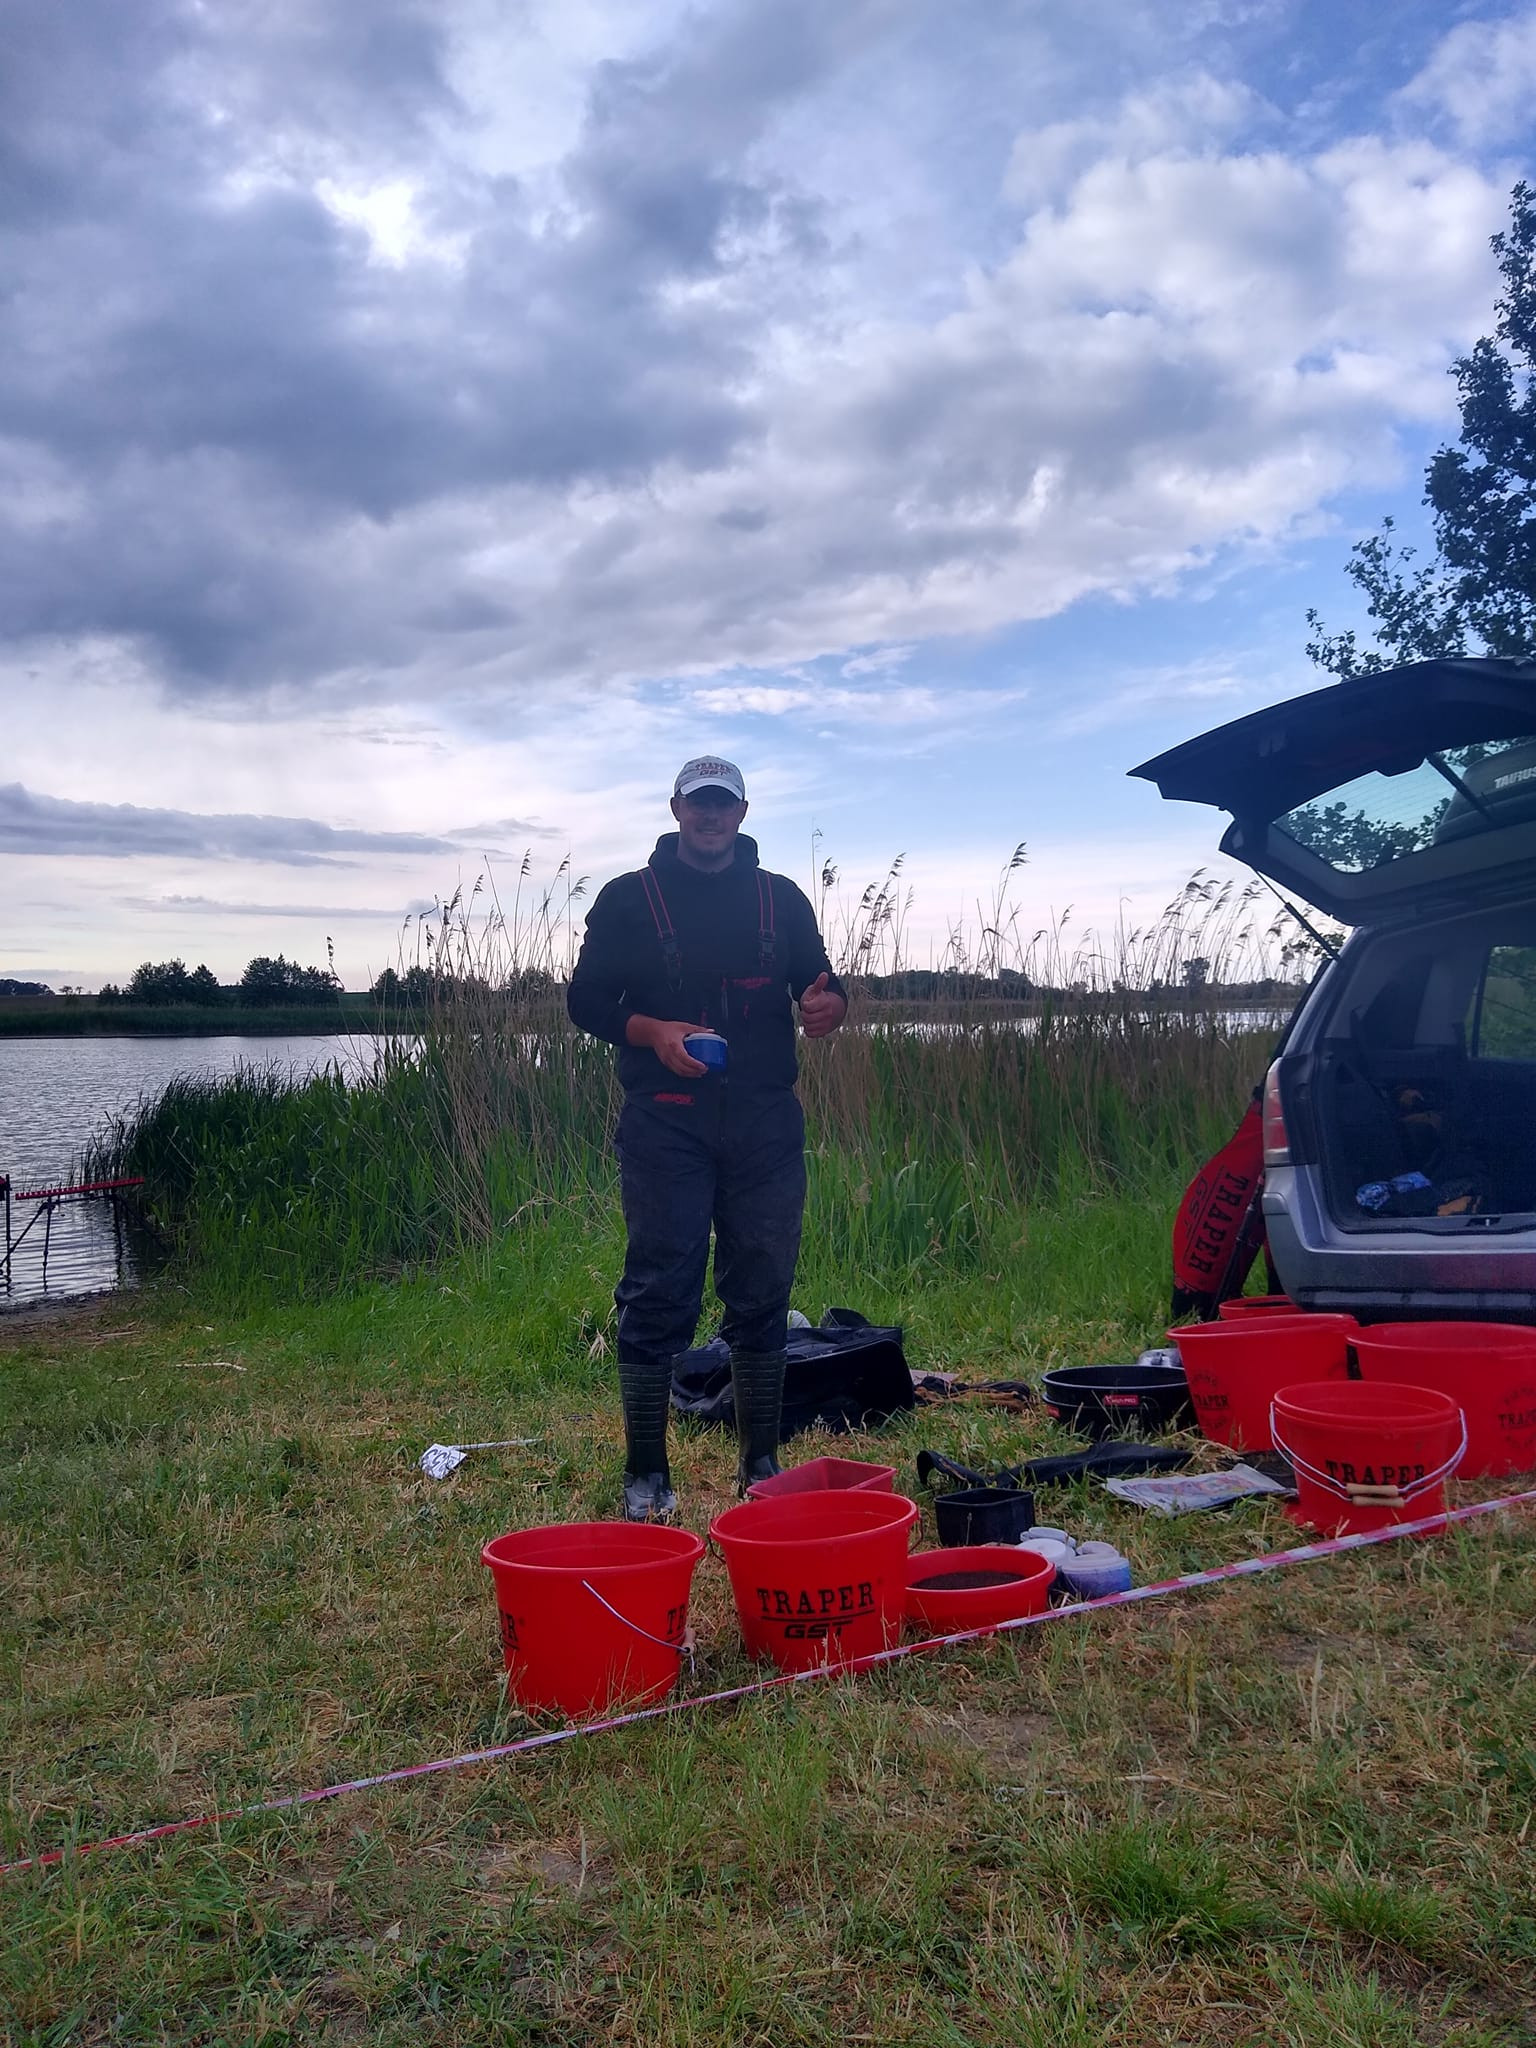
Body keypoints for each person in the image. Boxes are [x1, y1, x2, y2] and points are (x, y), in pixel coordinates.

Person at [567, 757, 848, 1520]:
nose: (712, 815)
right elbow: (585, 1000)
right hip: (665, 1120)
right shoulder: (629, 898)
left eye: (724, 803)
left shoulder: (781, 899)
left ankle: (759, 1462)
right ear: (676, 809)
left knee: (764, 1284)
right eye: (700, 803)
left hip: (765, 1121)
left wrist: (830, 1008)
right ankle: (646, 1471)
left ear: (743, 812)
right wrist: (652, 1031)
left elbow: (821, 985)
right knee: (660, 1287)